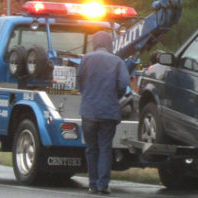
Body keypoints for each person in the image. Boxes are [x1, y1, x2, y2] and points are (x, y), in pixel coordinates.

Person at [77, 31, 130, 195]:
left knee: (91, 149)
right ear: (109, 43)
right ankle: (103, 184)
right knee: (105, 148)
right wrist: (115, 96)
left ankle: (92, 184)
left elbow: (79, 80)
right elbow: (123, 83)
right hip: (108, 111)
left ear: (95, 43)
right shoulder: (117, 61)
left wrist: (87, 94)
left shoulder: (86, 59)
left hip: (89, 111)